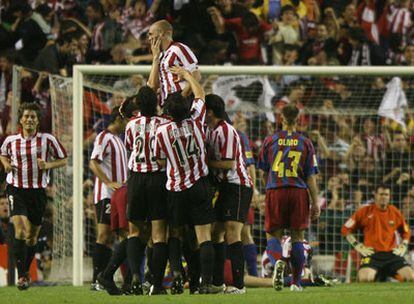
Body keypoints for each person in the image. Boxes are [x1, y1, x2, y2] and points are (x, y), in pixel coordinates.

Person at [154, 66, 215, 294]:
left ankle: (177, 275)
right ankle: (206, 283)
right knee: (203, 236)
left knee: (176, 234)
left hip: (176, 188)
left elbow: (160, 161)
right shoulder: (197, 121)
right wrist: (188, 75)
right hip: (199, 185)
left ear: (168, 112)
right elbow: (200, 94)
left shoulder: (161, 131)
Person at [0, 103, 67, 290]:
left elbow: (63, 159)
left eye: (33, 117)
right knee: (20, 230)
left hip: (37, 192)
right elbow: (3, 155)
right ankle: (22, 276)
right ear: (21, 119)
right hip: (17, 189)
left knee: (31, 237)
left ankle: (25, 272)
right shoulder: (10, 140)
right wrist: (5, 164)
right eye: (27, 116)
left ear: (37, 121)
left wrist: (47, 165)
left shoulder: (48, 140)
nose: (30, 119)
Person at [257, 104, 320, 292]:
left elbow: (263, 171)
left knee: (273, 234)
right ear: (298, 119)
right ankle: (296, 283)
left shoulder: (270, 140)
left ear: (281, 118)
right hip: (298, 191)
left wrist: (266, 190)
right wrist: (315, 202)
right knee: (297, 237)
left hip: (275, 190)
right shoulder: (305, 142)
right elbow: (310, 176)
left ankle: (277, 264)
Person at [122, 86, 170, 296]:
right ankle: (156, 284)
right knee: (159, 234)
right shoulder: (164, 124)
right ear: (157, 103)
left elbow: (130, 147)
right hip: (158, 179)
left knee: (135, 231)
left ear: (138, 106)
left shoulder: (131, 125)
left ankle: (134, 278)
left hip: (136, 179)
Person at [205, 94, 253, 294]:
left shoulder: (227, 131)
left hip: (237, 185)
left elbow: (229, 163)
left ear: (210, 111)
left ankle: (239, 285)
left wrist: (204, 164)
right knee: (216, 232)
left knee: (233, 232)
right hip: (224, 187)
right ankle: (217, 283)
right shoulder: (211, 131)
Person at [89, 106, 128, 292]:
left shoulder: (118, 140)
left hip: (117, 196)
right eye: (126, 120)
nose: (128, 123)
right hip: (105, 194)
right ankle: (96, 280)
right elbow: (93, 162)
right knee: (104, 235)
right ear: (119, 119)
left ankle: (107, 277)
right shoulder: (104, 137)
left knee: (114, 237)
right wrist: (108, 182)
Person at [341, 184, 414, 282]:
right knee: (364, 279)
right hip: (371, 254)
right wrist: (357, 245)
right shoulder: (364, 211)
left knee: (411, 277)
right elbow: (345, 229)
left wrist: (404, 245)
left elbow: (406, 231)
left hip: (392, 254)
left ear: (389, 196)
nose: (384, 197)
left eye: (386, 194)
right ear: (375, 195)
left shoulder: (394, 212)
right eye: (381, 194)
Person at [147, 20, 200, 107]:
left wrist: (181, 97)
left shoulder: (178, 49)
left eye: (151, 34)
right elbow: (152, 85)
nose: (149, 38)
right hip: (167, 106)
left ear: (162, 33)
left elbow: (196, 76)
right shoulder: (160, 55)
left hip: (181, 106)